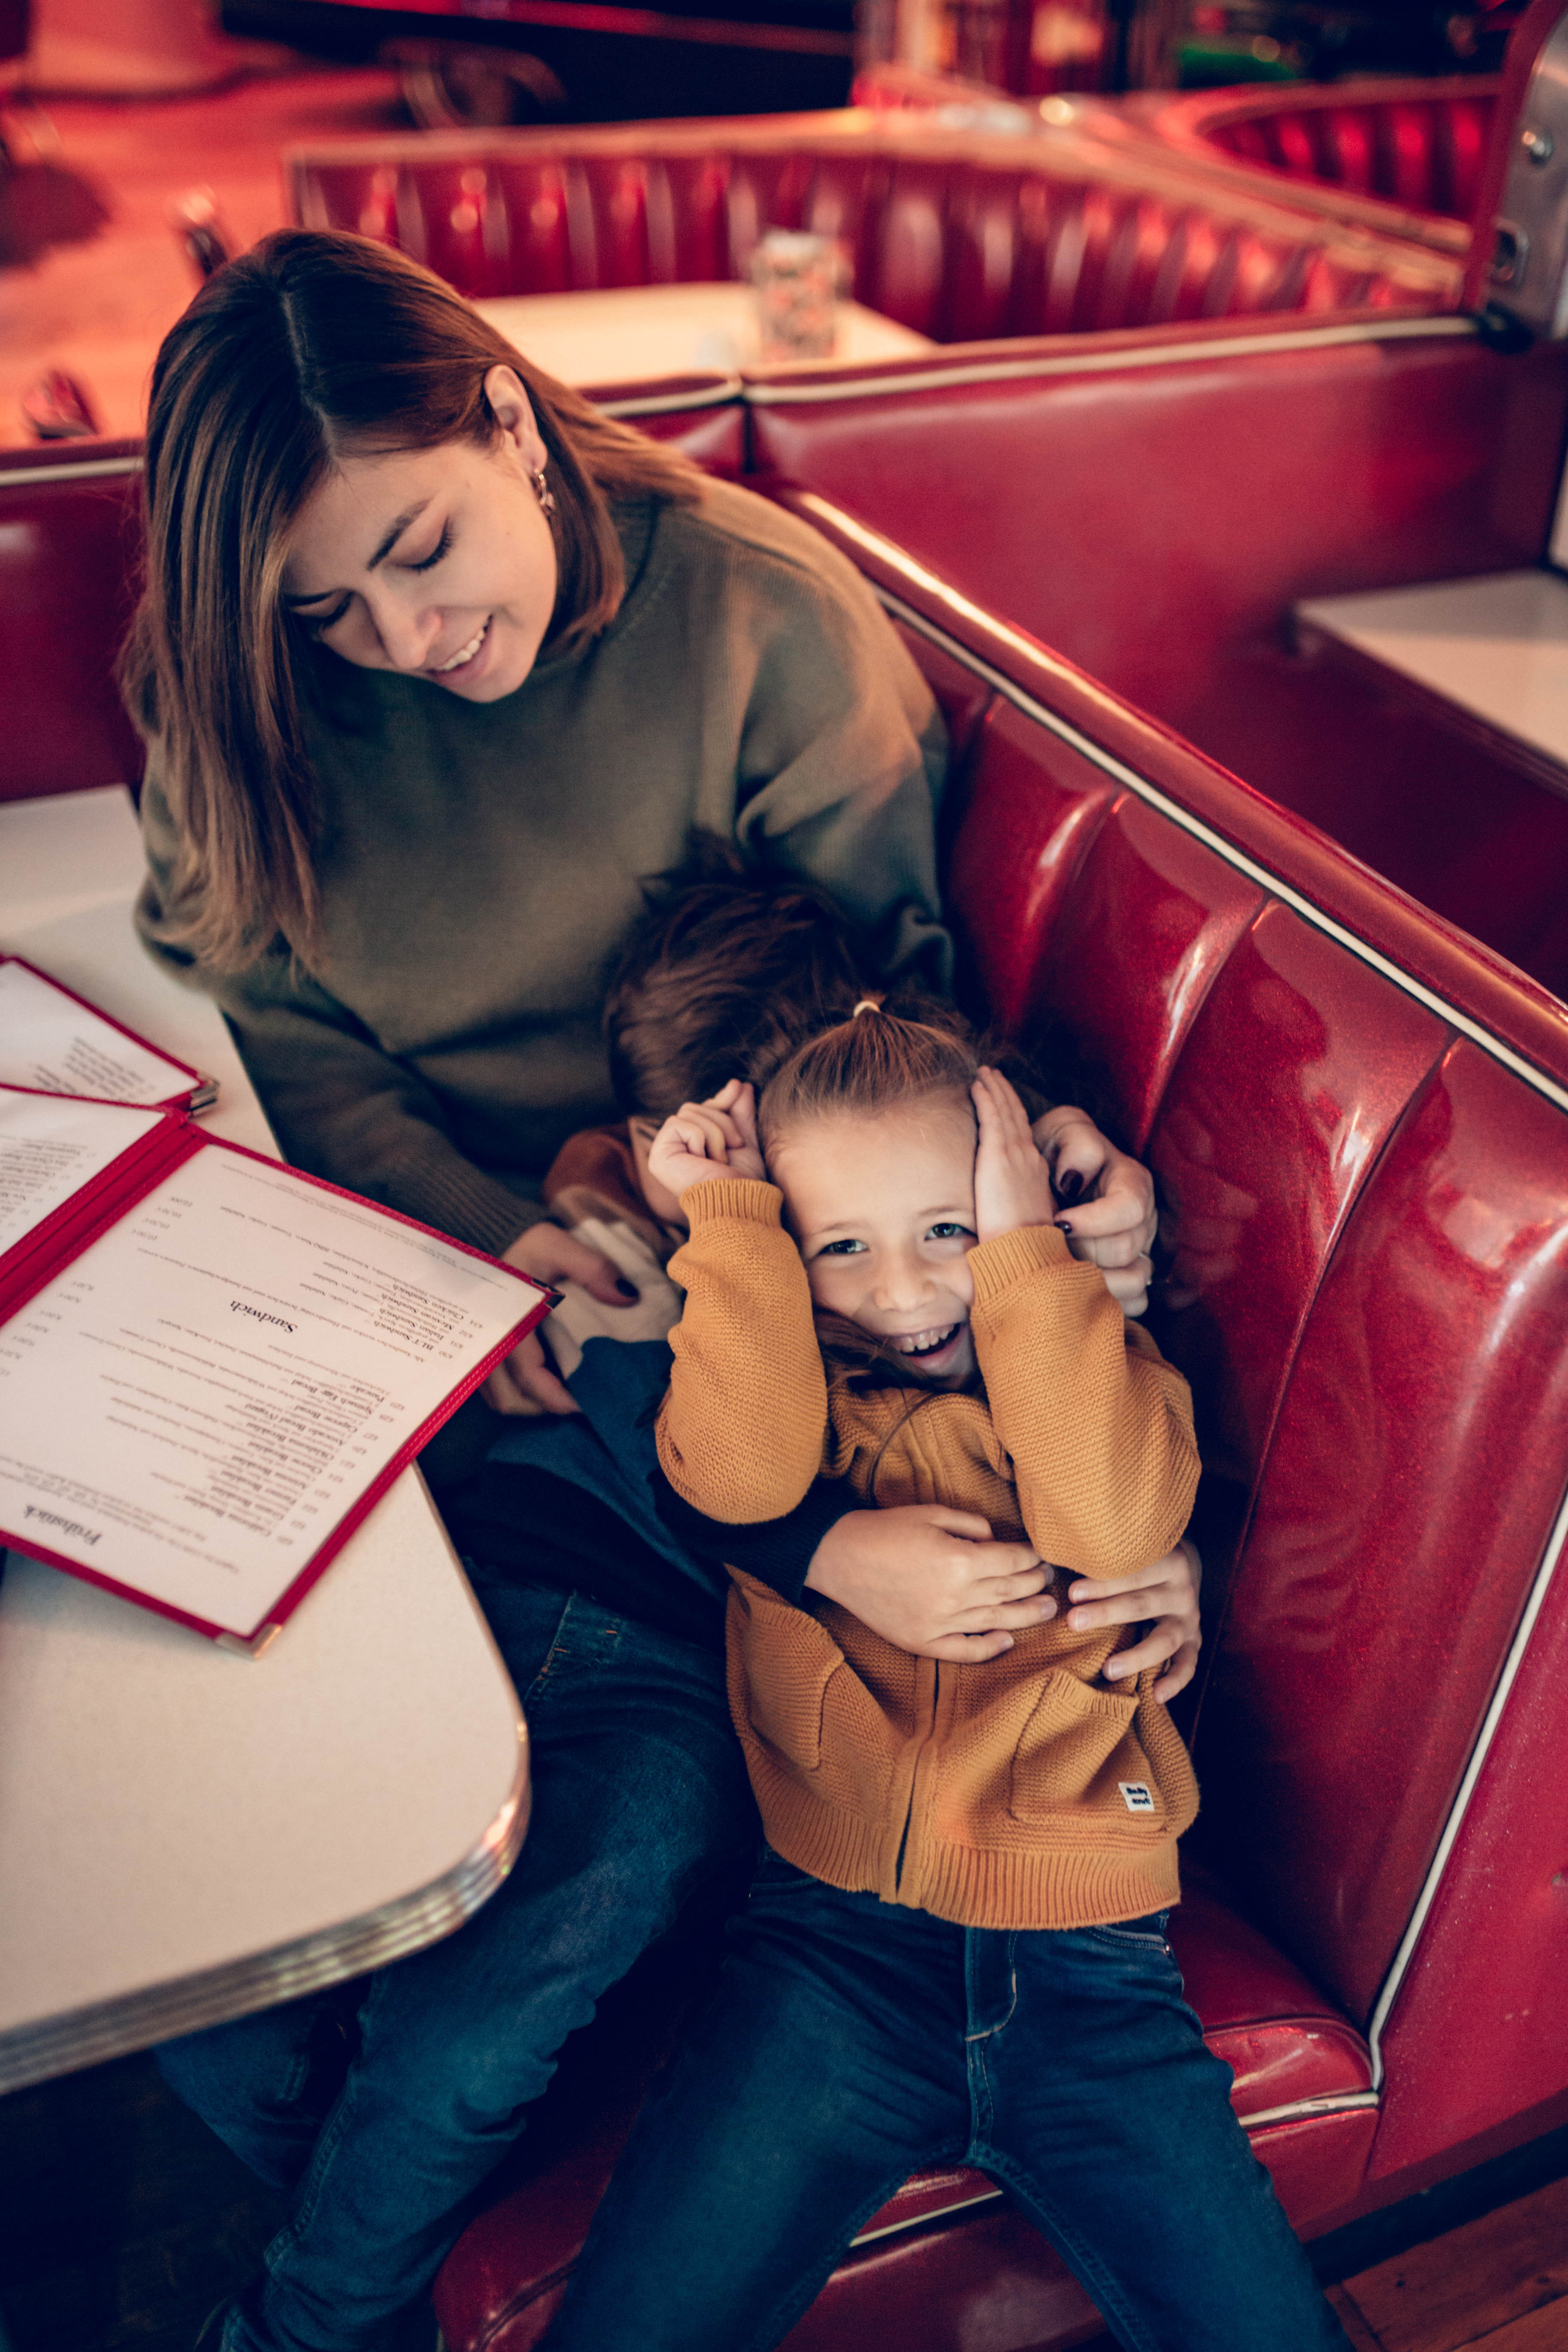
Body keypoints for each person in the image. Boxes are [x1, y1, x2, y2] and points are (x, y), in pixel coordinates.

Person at [129, 227, 1180, 2352]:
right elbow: (274, 1019)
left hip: (699, 1416)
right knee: (175, 1925)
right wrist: (473, 1231)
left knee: (539, 1893)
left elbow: (878, 1055)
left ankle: (319, 2306)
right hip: (383, 1339)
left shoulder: (764, 628)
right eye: (331, 608)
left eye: (424, 551)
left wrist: (1051, 1203)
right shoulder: (259, 683)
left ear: (508, 415)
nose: (406, 639)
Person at [543, 1009, 1351, 2352]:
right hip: (828, 1951)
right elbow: (732, 1481)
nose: (903, 1295)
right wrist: (732, 1235)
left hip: (1092, 1969)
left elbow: (1104, 1524)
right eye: (838, 1247)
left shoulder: (1101, 1363)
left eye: (945, 1231)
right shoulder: (787, 1395)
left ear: (1016, 1208)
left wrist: (1029, 1257)